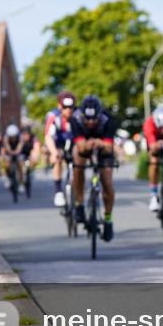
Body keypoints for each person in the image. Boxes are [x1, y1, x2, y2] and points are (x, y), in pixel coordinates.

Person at [70, 95, 117, 241]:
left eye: (94, 119)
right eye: (87, 119)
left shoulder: (107, 119)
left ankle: (108, 219)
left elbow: (109, 147)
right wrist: (89, 144)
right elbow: (80, 146)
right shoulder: (75, 119)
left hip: (103, 149)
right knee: (77, 162)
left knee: (107, 183)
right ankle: (79, 204)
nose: (90, 122)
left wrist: (99, 143)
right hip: (84, 147)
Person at [45, 91, 76, 207]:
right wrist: (53, 152)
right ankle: (58, 192)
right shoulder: (53, 117)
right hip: (58, 144)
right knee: (57, 158)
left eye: (71, 107)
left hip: (73, 144)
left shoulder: (78, 116)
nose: (68, 110)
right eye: (65, 107)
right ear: (59, 106)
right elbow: (48, 136)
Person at [0, 124, 28, 190]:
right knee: (6, 163)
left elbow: (20, 146)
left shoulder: (20, 137)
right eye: (11, 137)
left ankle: (21, 183)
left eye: (14, 136)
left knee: (21, 163)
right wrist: (10, 152)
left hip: (18, 152)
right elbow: (7, 147)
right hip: (9, 152)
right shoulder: (6, 138)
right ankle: (7, 178)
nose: (13, 138)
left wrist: (16, 152)